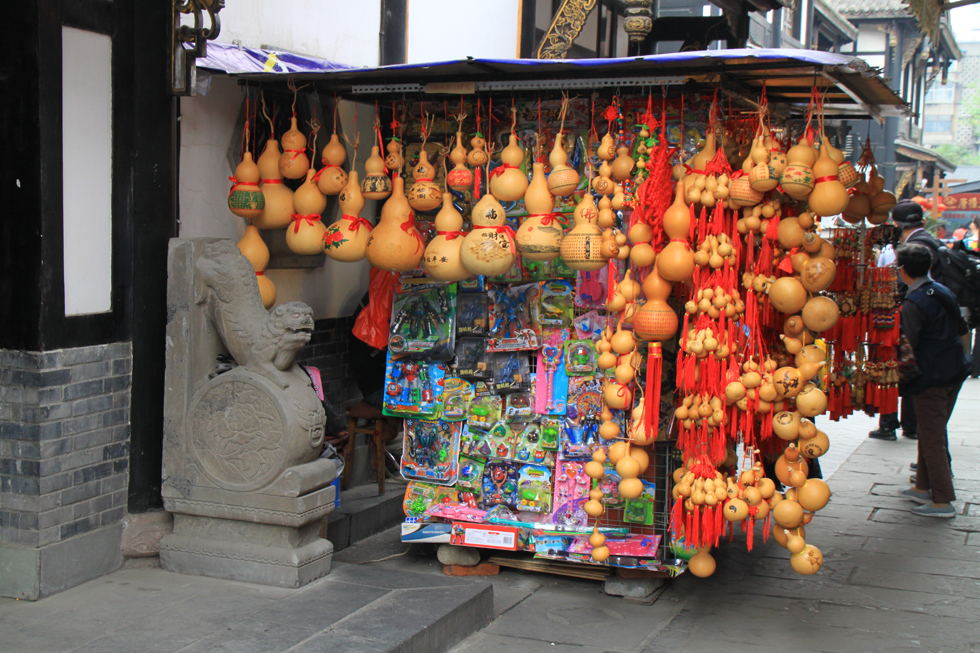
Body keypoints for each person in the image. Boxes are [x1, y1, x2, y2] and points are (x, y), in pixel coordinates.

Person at [896, 243, 970, 518]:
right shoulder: (941, 290)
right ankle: (922, 486)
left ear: (903, 270)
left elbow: (908, 344)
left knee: (932, 436)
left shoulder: (914, 302)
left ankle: (942, 500)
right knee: (932, 430)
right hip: (952, 370)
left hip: (932, 376)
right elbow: (962, 329)